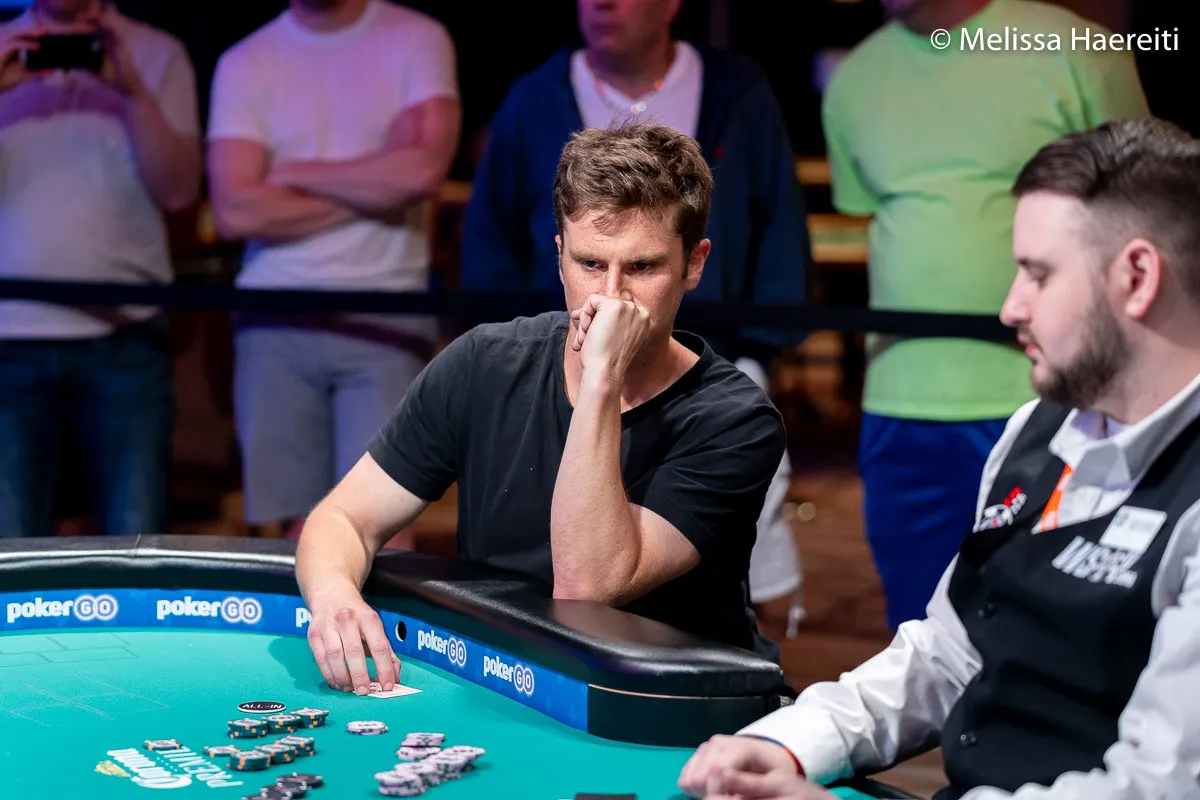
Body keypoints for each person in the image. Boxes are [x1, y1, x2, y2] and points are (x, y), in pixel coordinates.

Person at [678, 118, 1200, 799]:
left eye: (1038, 274)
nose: (1011, 307)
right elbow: (949, 654)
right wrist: (786, 743)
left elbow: (1156, 786)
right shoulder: (1036, 430)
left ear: (1138, 276)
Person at [295, 122, 787, 695]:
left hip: (672, 706)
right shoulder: (485, 363)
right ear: (559, 257)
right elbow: (343, 518)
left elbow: (585, 588)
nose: (611, 297)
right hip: (514, 689)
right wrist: (334, 598)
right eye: (590, 264)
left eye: (642, 267)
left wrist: (601, 378)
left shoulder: (734, 419)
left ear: (694, 264)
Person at [462, 0, 810, 637]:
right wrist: (534, 345)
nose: (602, 4)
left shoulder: (734, 88)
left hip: (720, 347)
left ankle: (769, 647)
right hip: (558, 353)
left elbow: (776, 215)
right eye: (590, 262)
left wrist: (763, 341)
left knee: (749, 550)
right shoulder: (537, 95)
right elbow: (493, 227)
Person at [823, 0, 1150, 628]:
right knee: (918, 622)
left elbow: (1148, 207)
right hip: (901, 399)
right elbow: (875, 213)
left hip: (1055, 396)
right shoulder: (855, 76)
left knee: (1058, 624)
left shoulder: (1075, 47)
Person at [206, 0, 460, 540]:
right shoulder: (246, 60)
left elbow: (421, 172)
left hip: (386, 310)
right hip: (274, 315)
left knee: (385, 527)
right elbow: (236, 211)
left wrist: (291, 172)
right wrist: (378, 188)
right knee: (294, 534)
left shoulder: (416, 38)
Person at [0, 0, 201, 537]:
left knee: (136, 538)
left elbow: (180, 192)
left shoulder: (157, 53)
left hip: (126, 335)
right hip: (9, 336)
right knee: (8, 547)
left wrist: (132, 91)